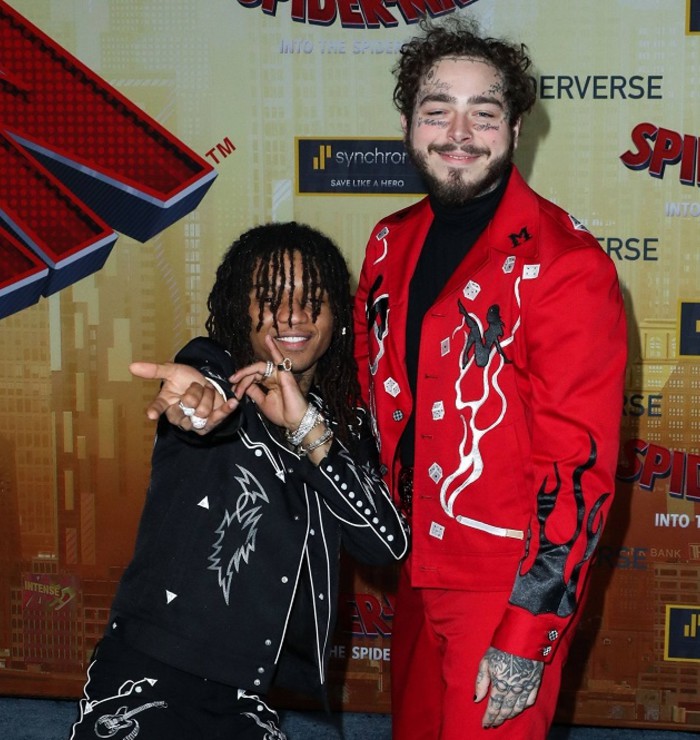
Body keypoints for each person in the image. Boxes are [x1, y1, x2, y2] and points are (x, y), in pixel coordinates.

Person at [353, 16, 627, 740]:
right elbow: (377, 397)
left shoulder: (568, 265)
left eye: (484, 112)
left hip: (505, 585)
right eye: (437, 109)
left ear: (515, 127)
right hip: (414, 563)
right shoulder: (388, 241)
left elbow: (579, 473)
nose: (459, 132)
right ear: (408, 124)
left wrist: (528, 630)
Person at [69, 222, 409, 740]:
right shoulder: (217, 370)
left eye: (312, 298)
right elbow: (201, 395)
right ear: (239, 310)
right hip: (153, 667)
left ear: (337, 316)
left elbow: (386, 544)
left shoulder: (340, 425)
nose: (293, 315)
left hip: (248, 693)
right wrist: (197, 406)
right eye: (270, 297)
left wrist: (307, 430)